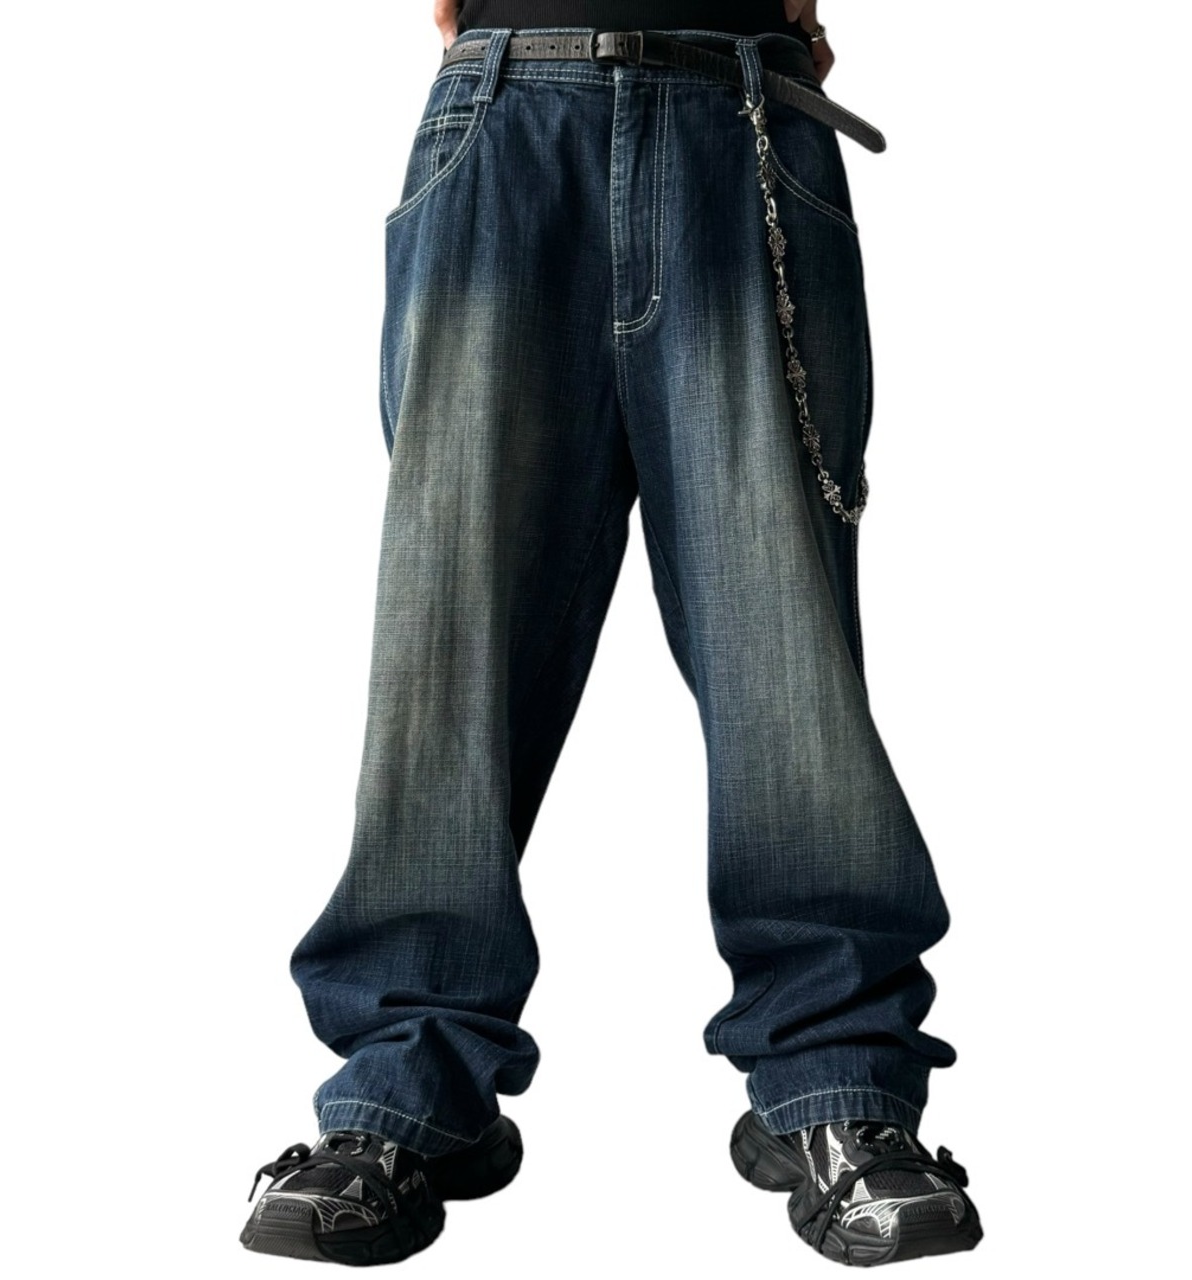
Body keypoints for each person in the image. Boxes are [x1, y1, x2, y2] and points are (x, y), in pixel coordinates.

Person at [240, 0, 984, 1267]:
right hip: (507, 110)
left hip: (743, 118)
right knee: (449, 636)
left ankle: (838, 1086)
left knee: (783, 648)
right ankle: (400, 1093)